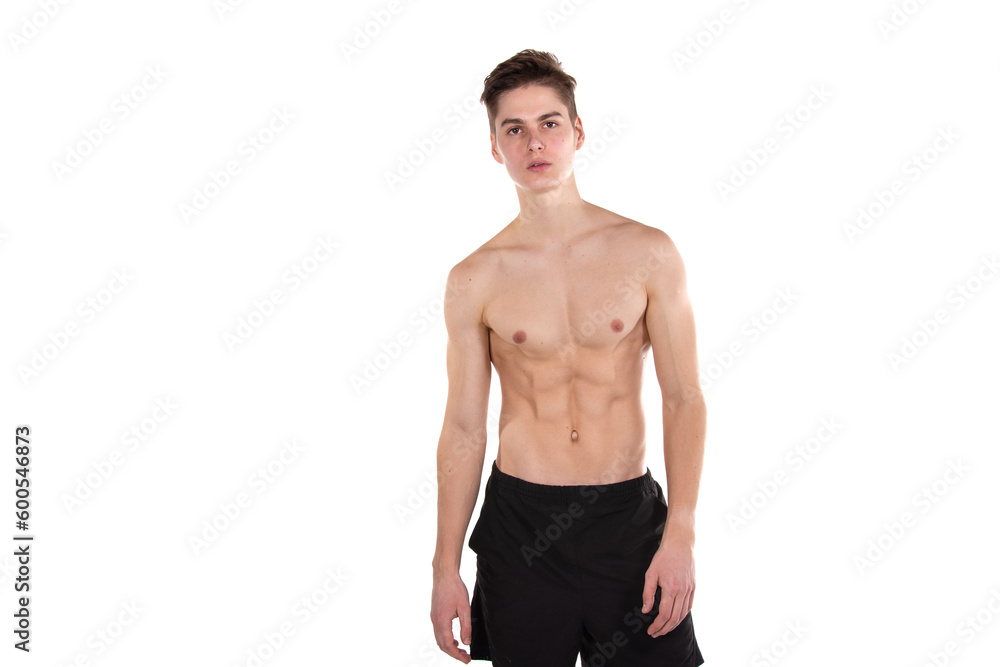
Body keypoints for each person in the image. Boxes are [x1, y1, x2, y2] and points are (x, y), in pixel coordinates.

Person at [430, 49, 706, 666]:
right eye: (514, 128)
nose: (535, 141)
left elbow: (684, 396)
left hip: (627, 523)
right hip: (521, 528)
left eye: (549, 123)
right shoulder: (475, 277)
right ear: (495, 147)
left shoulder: (648, 252)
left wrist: (681, 531)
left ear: (578, 132)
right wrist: (445, 567)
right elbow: (464, 428)